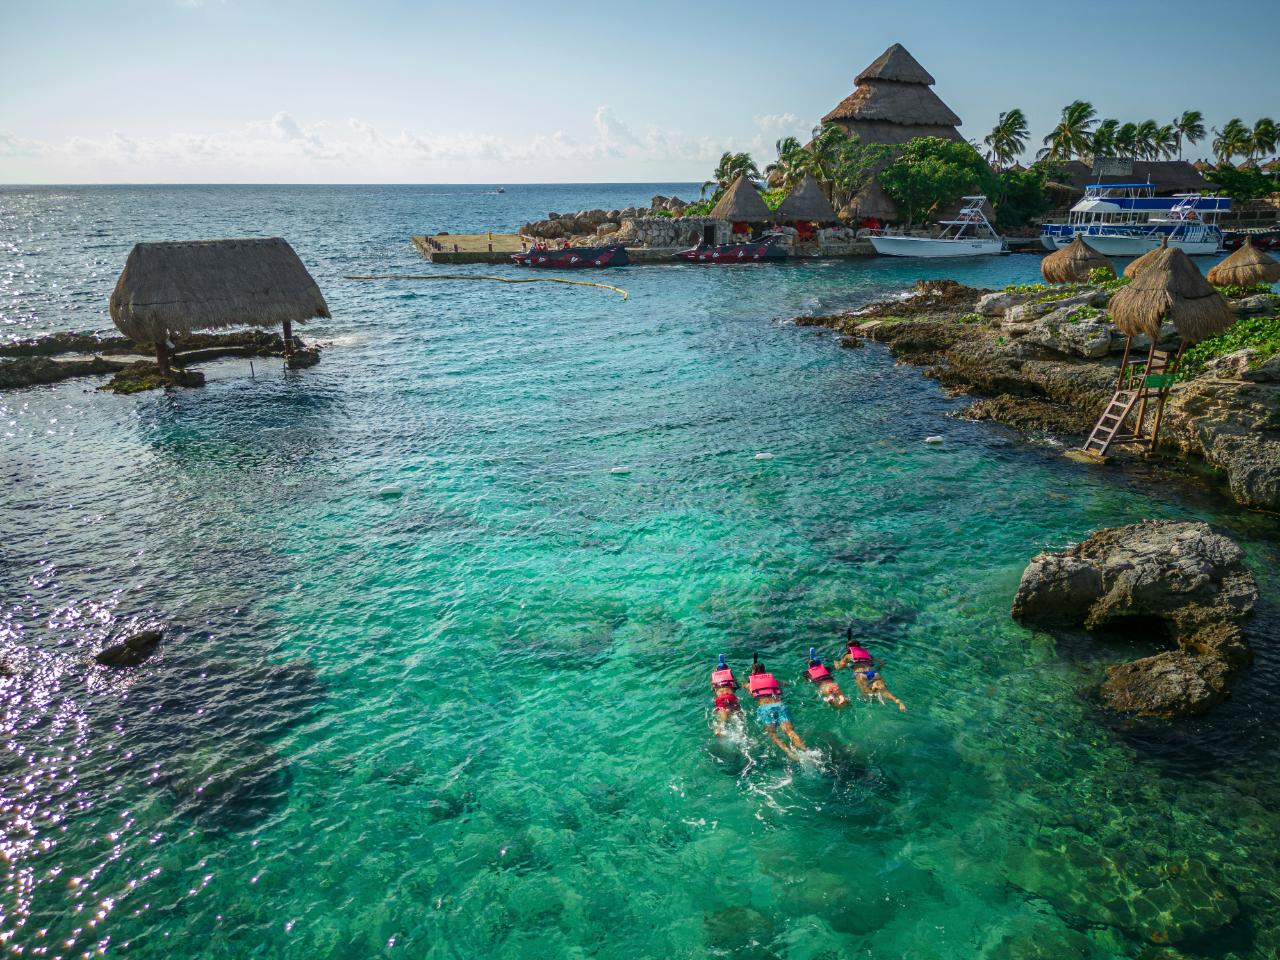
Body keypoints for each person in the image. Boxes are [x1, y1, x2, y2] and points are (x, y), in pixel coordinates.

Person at [833, 628, 906, 712]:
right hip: (874, 673)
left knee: (867, 695)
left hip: (861, 675)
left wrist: (836, 662)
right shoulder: (867, 654)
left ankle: (875, 695)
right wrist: (877, 669)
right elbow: (882, 663)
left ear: (849, 648)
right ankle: (897, 701)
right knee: (884, 691)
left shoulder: (848, 656)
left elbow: (839, 667)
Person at [748, 656, 807, 758]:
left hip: (765, 708)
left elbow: (749, 690)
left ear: (753, 672)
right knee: (790, 731)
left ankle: (788, 752)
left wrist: (750, 680)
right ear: (765, 671)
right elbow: (785, 684)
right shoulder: (774, 679)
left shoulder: (749, 684)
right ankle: (806, 752)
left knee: (773, 735)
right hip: (780, 706)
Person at [710, 655, 741, 736]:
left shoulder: (714, 679)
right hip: (730, 696)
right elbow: (737, 686)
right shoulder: (730, 676)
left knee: (721, 711)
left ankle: (719, 728)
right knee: (736, 711)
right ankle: (737, 725)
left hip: (720, 697)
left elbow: (713, 689)